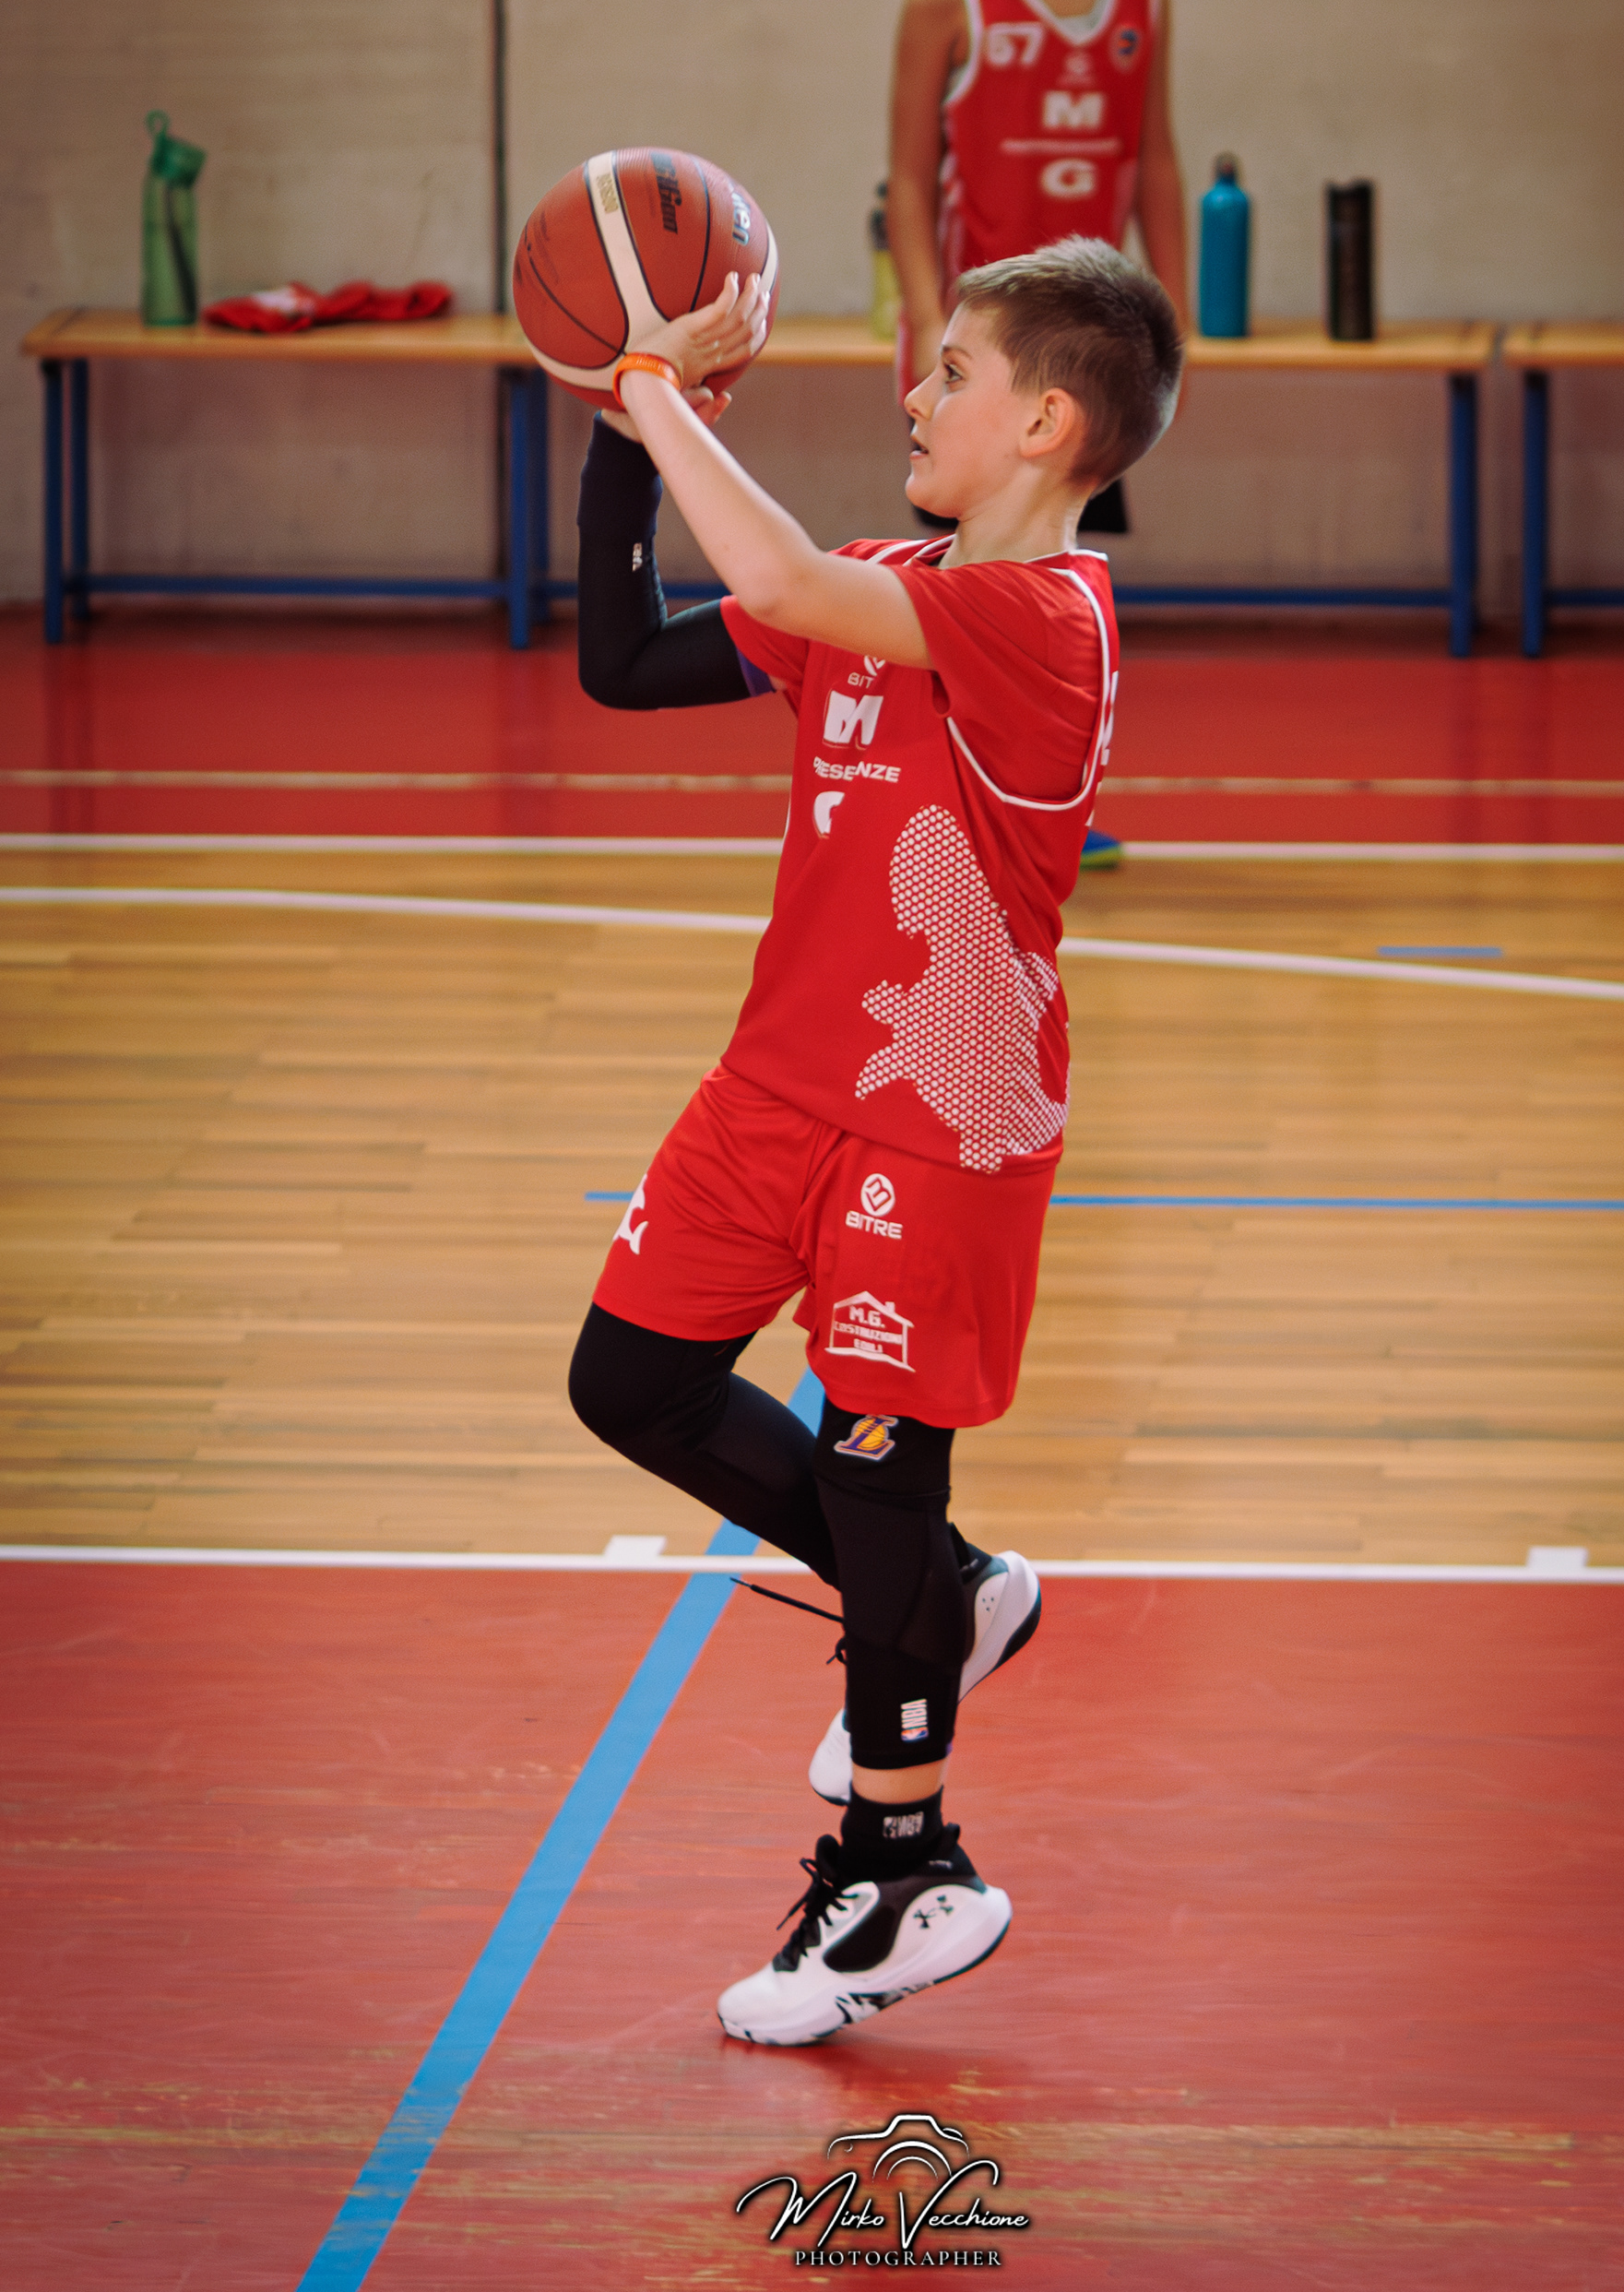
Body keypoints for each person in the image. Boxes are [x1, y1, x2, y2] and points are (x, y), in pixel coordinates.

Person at [567, 236, 1181, 2046]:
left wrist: (656, 384)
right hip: (776, 1089)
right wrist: (618, 433)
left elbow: (768, 569)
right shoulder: (882, 586)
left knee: (875, 1474)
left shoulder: (1045, 620)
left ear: (1048, 424)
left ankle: (907, 1871)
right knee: (631, 1381)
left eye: (953, 373)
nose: (915, 396)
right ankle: (952, 1596)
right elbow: (621, 659)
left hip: (944, 1106)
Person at [888, 0, 1191, 871]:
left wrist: (1176, 317)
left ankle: (1039, 793)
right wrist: (930, 324)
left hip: (1087, 345)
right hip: (982, 348)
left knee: (1053, 574)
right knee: (962, 583)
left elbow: (1154, 160)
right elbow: (907, 177)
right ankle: (944, 792)